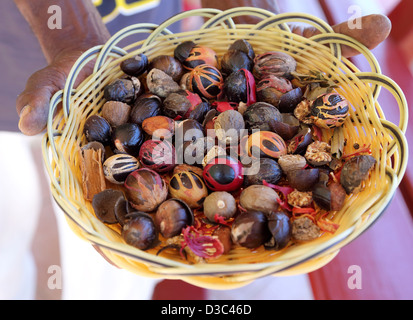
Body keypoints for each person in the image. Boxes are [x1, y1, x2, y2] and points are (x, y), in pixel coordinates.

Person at [5, 0, 391, 300]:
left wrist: (244, 7)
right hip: (21, 59)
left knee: (118, 267)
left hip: (151, 28)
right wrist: (73, 39)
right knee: (12, 217)